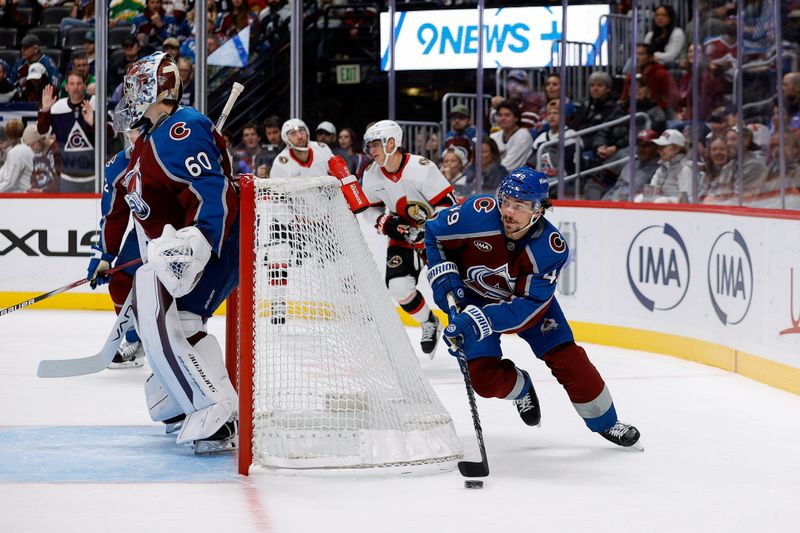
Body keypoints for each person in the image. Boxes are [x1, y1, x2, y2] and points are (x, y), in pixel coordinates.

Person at [424, 167, 641, 448]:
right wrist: (444, 278)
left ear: (539, 210)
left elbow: (526, 307)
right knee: (484, 381)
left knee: (569, 359)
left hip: (530, 310)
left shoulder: (550, 249)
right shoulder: (476, 213)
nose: (508, 212)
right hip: (474, 300)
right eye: (506, 202)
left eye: (520, 206)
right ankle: (521, 388)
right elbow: (433, 234)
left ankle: (607, 422)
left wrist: (476, 321)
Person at [90, 52, 240, 452]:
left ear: (157, 87)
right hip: (182, 250)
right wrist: (108, 255)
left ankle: (214, 407)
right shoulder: (147, 143)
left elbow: (214, 192)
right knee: (183, 325)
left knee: (154, 302)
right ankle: (183, 403)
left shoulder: (182, 128)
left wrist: (200, 241)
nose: (129, 96)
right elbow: (136, 214)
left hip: (216, 245)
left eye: (136, 87)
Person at [360, 119, 456, 355]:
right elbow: (367, 209)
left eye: (375, 145)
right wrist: (384, 222)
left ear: (391, 142)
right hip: (403, 236)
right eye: (369, 146)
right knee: (398, 288)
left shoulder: (421, 168)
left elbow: (448, 205)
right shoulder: (371, 174)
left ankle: (464, 331)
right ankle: (428, 322)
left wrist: (432, 230)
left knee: (454, 290)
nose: (371, 151)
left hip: (436, 238)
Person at [38, 72, 97, 192]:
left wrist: (94, 123)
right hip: (67, 176)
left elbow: (112, 134)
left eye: (79, 83)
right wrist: (45, 110)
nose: (75, 88)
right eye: (72, 84)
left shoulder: (96, 103)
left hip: (95, 175)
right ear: (66, 86)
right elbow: (42, 131)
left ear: (85, 85)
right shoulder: (57, 107)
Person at [602, 129, 661, 201]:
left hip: (631, 208)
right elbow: (616, 187)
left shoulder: (659, 171)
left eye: (645, 145)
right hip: (612, 204)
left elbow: (648, 199)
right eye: (639, 145)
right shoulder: (631, 164)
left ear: (656, 147)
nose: (641, 149)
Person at [638, 129, 693, 203]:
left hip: (677, 211)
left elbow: (687, 200)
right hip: (660, 206)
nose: (659, 150)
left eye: (663, 147)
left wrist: (667, 200)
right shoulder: (661, 169)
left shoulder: (685, 169)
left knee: (662, 201)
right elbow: (649, 194)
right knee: (639, 198)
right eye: (659, 147)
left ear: (677, 148)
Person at [269, 118, 334, 178]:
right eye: (293, 134)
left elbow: (338, 177)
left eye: (301, 131)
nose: (299, 137)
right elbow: (275, 189)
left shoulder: (323, 149)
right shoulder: (279, 164)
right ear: (286, 139)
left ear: (307, 132)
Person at [490, 100, 533, 171]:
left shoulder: (523, 136)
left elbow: (508, 166)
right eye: (500, 115)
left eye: (507, 115)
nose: (502, 118)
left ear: (516, 118)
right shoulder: (494, 136)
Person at [0, 121, 34, 193]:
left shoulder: (16, 152)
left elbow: (9, 183)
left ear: (8, 137)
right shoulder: (17, 148)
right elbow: (3, 173)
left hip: (26, 195)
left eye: (1, 143)